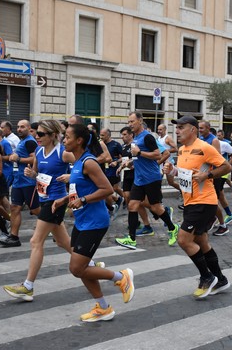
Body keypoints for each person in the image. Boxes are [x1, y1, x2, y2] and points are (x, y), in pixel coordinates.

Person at [3, 120, 106, 301]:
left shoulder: (62, 153)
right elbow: (38, 174)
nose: (37, 137)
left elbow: (87, 164)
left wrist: (73, 175)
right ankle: (90, 264)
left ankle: (28, 286)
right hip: (45, 200)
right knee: (62, 242)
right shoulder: (38, 152)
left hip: (56, 202)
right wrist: (32, 175)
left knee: (36, 241)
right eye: (37, 134)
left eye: (41, 134)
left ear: (52, 136)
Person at [50, 124, 134, 322]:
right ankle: (103, 308)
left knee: (77, 268)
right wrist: (65, 200)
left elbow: (106, 189)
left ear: (79, 140)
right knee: (82, 267)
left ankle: (121, 277)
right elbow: (80, 188)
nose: (64, 141)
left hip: (95, 222)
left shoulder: (89, 162)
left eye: (67, 137)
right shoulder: (78, 162)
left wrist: (85, 200)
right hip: (82, 220)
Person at [164, 115, 231, 298]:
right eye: (176, 128)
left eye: (181, 127)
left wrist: (207, 176)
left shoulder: (204, 148)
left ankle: (207, 277)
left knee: (184, 240)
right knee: (201, 242)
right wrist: (173, 171)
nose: (177, 131)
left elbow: (226, 167)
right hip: (190, 202)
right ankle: (221, 279)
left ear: (193, 129)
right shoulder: (182, 150)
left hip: (204, 201)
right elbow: (186, 174)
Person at [115, 112, 178, 250]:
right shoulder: (136, 139)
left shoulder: (147, 137)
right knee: (132, 205)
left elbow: (157, 154)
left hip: (151, 178)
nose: (130, 124)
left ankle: (173, 228)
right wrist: (129, 163)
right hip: (139, 179)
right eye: (129, 122)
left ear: (140, 121)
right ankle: (131, 239)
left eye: (132, 121)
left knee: (156, 207)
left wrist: (138, 153)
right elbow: (139, 158)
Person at [3, 120, 39, 247]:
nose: (19, 129)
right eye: (18, 127)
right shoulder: (22, 141)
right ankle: (14, 237)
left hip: (28, 181)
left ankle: (55, 225)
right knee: (14, 208)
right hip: (18, 181)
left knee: (35, 210)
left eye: (22, 127)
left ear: (29, 129)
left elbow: (35, 158)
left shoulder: (30, 141)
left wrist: (18, 159)